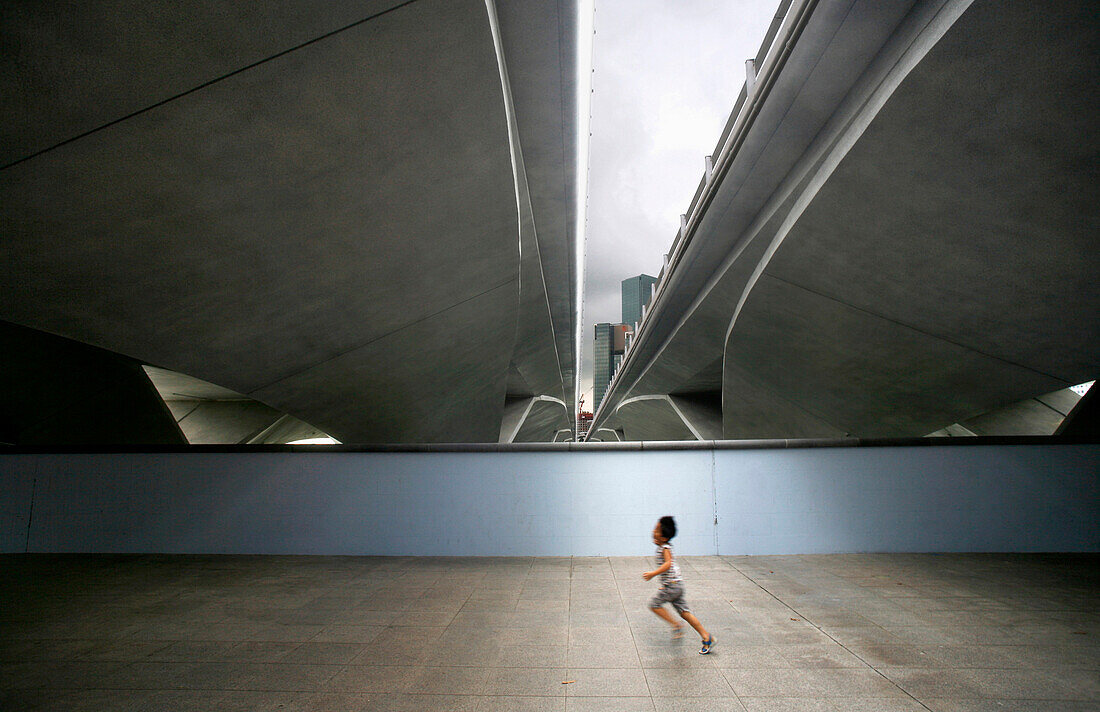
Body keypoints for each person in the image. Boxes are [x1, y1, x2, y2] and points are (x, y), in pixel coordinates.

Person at [642, 515, 715, 654]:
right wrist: (664, 583)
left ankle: (676, 625)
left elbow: (668, 564)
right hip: (677, 585)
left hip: (673, 586)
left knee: (654, 605)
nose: (653, 532)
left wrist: (653, 574)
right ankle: (707, 637)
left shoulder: (664, 548)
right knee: (685, 613)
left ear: (663, 538)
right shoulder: (665, 546)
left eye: (656, 530)